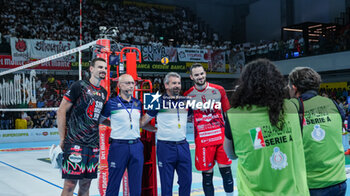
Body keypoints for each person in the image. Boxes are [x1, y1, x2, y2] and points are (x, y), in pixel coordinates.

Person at [224, 59, 309, 195]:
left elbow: (231, 154)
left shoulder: (234, 116)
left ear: (245, 85)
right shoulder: (293, 107)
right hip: (294, 191)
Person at [288, 67, 346, 196]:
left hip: (312, 184)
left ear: (294, 87)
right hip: (339, 181)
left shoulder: (293, 106)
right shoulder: (332, 103)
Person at [57, 58, 107, 196]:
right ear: (91, 69)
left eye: (105, 68)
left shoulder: (104, 93)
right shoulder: (79, 86)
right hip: (75, 142)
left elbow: (99, 118)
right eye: (100, 67)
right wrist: (62, 138)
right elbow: (61, 110)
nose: (103, 70)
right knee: (70, 184)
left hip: (93, 144)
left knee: (86, 184)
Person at [101, 74, 156, 196]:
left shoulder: (137, 103)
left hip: (136, 146)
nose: (131, 86)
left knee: (136, 185)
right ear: (119, 85)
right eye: (127, 83)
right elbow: (100, 119)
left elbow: (139, 123)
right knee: (113, 183)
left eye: (132, 83)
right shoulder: (111, 103)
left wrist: (156, 129)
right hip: (118, 146)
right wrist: (112, 124)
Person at [184, 63, 233, 196]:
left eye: (201, 73)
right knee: (207, 177)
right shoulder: (187, 95)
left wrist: (231, 135)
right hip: (203, 141)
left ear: (205, 73)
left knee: (227, 172)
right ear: (191, 77)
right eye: (196, 75)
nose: (200, 77)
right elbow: (184, 115)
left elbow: (228, 113)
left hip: (221, 138)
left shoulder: (219, 90)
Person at [141, 72, 192, 196]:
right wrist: (155, 129)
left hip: (183, 146)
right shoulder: (157, 101)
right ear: (166, 85)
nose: (177, 86)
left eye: (179, 83)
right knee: (166, 184)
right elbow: (142, 122)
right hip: (166, 147)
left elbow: (191, 117)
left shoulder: (186, 101)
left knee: (186, 182)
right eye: (174, 83)